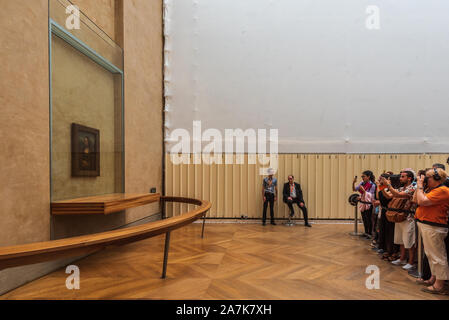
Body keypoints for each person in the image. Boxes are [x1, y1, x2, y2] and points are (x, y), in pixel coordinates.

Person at [414, 168, 449, 295]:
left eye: (427, 177)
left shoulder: (442, 190)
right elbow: (416, 200)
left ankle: (439, 285)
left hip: (434, 227)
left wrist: (419, 186)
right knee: (430, 255)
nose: (425, 180)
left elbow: (422, 201)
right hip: (427, 225)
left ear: (437, 179)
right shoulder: (432, 190)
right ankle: (433, 278)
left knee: (437, 256)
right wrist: (420, 186)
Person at [380, 170, 417, 270]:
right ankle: (402, 259)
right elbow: (388, 196)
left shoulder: (413, 188)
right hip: (399, 217)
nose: (400, 178)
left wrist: (388, 185)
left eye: (403, 177)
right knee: (401, 240)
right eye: (400, 176)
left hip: (409, 218)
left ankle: (411, 262)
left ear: (409, 178)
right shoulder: (401, 188)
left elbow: (398, 195)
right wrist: (382, 187)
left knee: (409, 241)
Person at [353, 170, 376, 239]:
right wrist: (353, 183)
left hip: (369, 204)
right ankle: (366, 232)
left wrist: (363, 191)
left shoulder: (372, 185)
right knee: (364, 219)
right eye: (362, 177)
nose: (362, 178)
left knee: (369, 219)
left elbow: (370, 195)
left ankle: (370, 233)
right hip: (363, 203)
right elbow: (354, 189)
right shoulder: (362, 183)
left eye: (364, 176)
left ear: (368, 177)